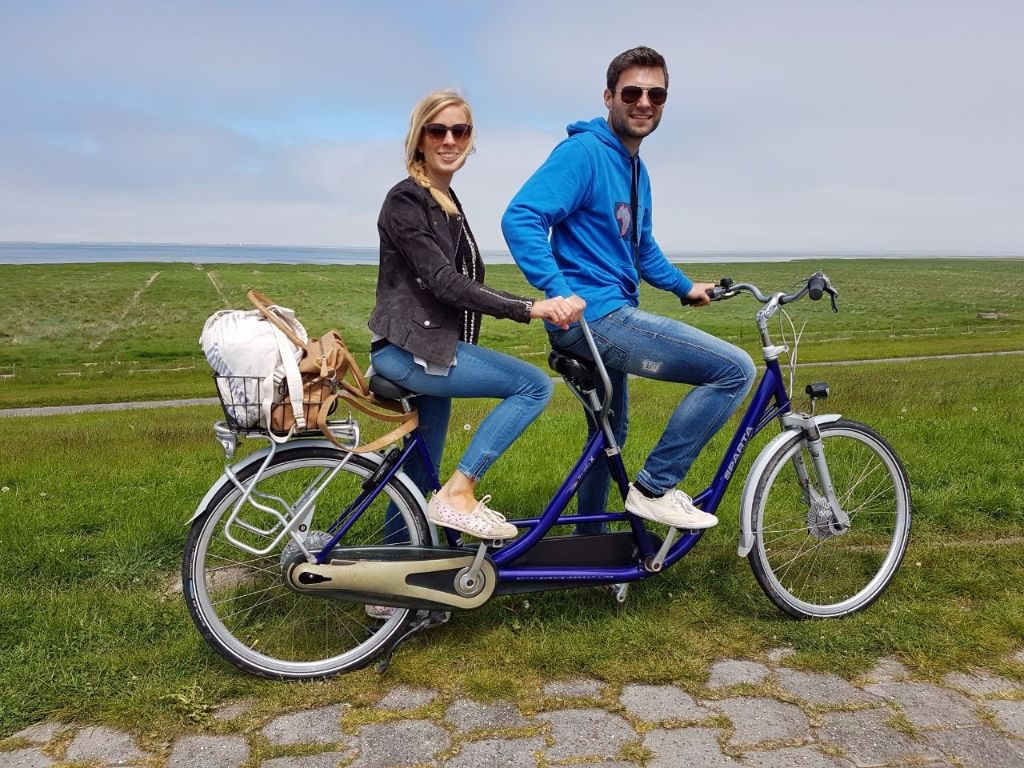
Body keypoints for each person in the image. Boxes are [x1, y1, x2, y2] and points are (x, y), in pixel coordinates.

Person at [502, 47, 756, 533]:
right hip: (596, 318)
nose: (644, 102)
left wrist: (685, 288)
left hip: (602, 317)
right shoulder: (584, 154)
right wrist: (557, 291)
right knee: (733, 370)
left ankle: (587, 547)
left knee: (608, 437)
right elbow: (522, 216)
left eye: (655, 94)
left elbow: (641, 249)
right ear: (609, 97)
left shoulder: (636, 169)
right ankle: (656, 488)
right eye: (632, 92)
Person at [369, 89, 583, 542]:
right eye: (438, 130)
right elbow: (445, 282)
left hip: (430, 349)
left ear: (469, 140)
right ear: (419, 139)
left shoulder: (445, 201)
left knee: (416, 468)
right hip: (411, 351)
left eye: (460, 130)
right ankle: (461, 490)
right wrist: (529, 308)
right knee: (533, 385)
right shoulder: (406, 201)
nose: (450, 139)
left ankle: (393, 576)